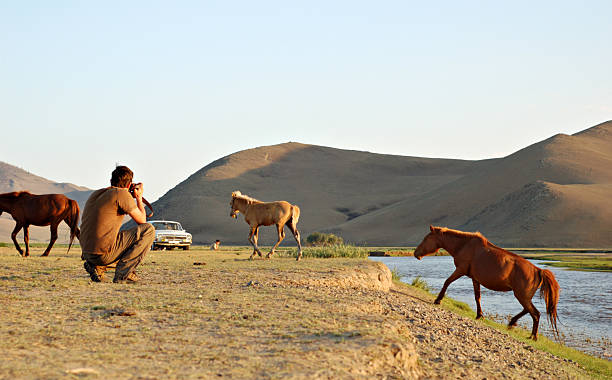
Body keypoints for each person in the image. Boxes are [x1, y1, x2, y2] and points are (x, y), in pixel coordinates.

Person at [80, 165, 154, 283]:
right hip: (102, 254)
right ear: (129, 185)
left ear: (111, 181)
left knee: (116, 236)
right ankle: (124, 273)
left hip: (87, 253)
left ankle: (97, 267)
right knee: (148, 230)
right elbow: (142, 221)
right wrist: (139, 197)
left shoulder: (96, 194)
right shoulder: (121, 194)